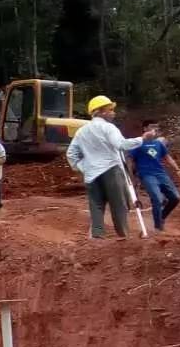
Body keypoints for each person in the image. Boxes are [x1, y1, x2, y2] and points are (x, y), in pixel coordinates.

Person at [66, 95, 156, 239]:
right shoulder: (108, 127)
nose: (114, 112)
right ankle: (123, 235)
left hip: (91, 174)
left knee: (96, 205)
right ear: (101, 111)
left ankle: (97, 236)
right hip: (111, 169)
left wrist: (82, 167)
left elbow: (71, 153)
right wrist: (143, 139)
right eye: (110, 109)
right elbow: (121, 145)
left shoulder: (81, 131)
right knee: (119, 204)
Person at [126, 118, 180, 232]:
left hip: (160, 173)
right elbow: (130, 160)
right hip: (146, 175)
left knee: (175, 198)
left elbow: (167, 157)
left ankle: (161, 216)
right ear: (145, 129)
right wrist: (131, 177)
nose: (155, 129)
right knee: (157, 198)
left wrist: (177, 169)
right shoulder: (138, 143)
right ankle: (158, 227)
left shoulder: (158, 143)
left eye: (156, 127)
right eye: (152, 127)